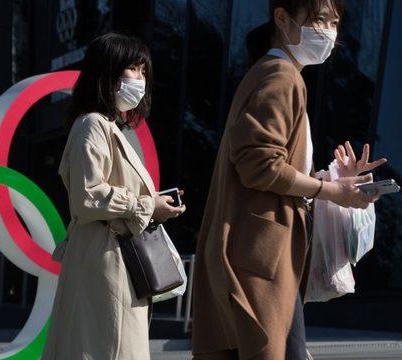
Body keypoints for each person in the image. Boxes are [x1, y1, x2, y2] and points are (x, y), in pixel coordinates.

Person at [191, 1, 386, 359]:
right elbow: (259, 165)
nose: (328, 31)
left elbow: (265, 163)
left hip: (263, 257)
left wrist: (333, 180)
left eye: (334, 22)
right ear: (282, 18)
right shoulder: (282, 77)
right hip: (260, 258)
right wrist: (331, 191)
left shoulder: (273, 74)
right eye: (318, 19)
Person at [41, 32, 186, 360]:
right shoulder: (92, 124)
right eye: (134, 69)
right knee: (108, 347)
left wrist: (151, 205)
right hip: (104, 255)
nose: (141, 78)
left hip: (113, 254)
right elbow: (88, 195)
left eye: (144, 71)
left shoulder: (107, 126)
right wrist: (149, 205)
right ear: (107, 72)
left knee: (108, 346)